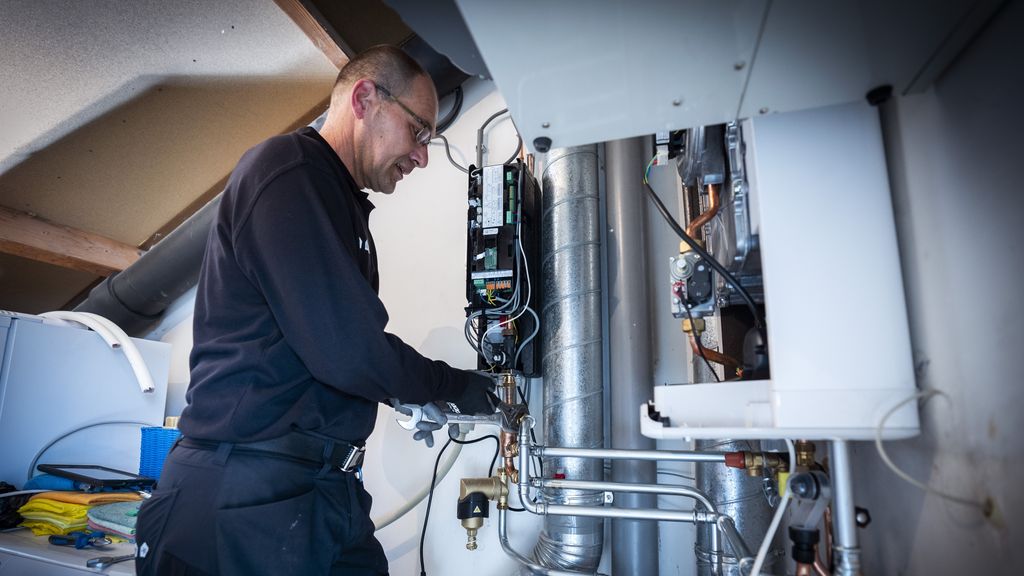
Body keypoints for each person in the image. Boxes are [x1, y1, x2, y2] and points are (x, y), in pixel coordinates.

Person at [135, 45, 495, 576]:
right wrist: (460, 387)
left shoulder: (337, 202)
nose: (422, 156)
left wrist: (406, 389)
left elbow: (336, 350)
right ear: (365, 98)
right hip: (246, 494)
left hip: (317, 491)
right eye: (419, 131)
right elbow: (351, 352)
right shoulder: (288, 171)